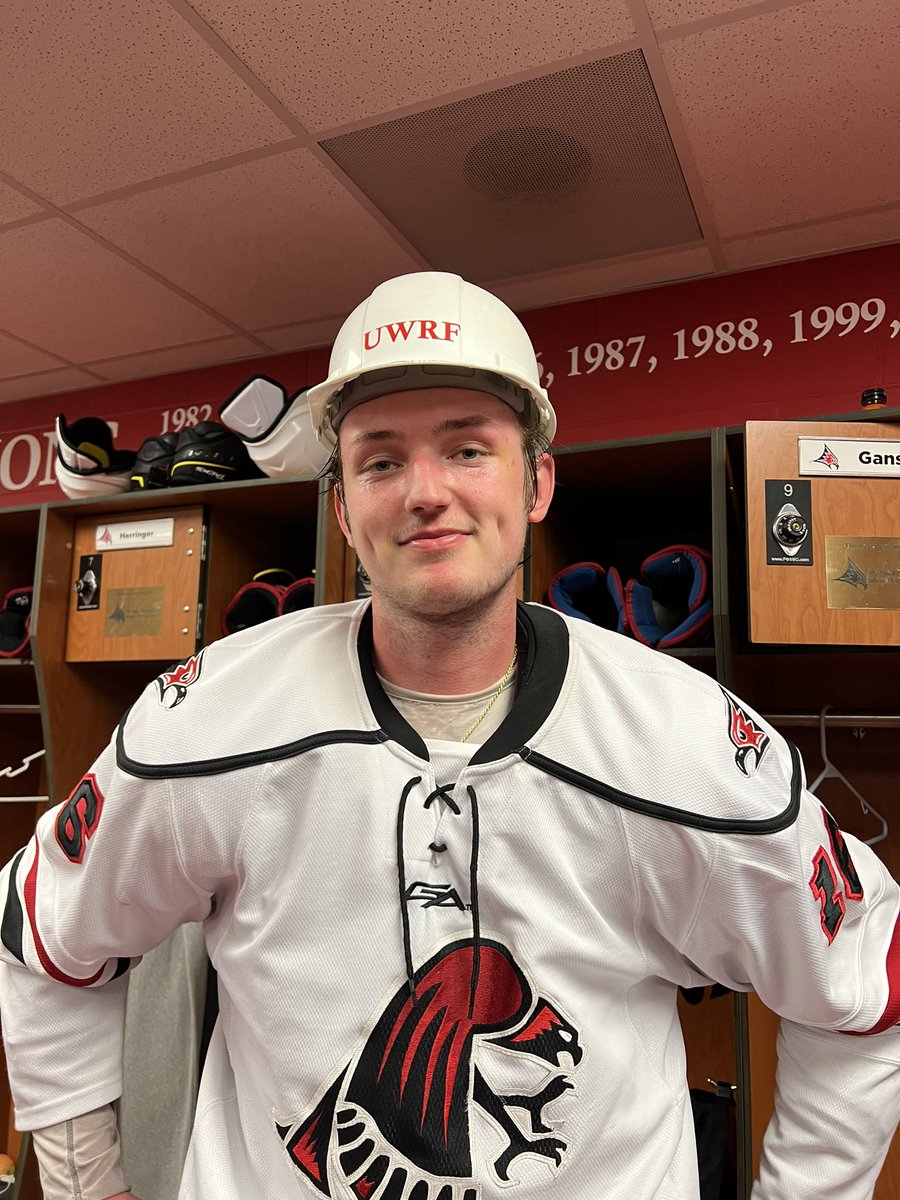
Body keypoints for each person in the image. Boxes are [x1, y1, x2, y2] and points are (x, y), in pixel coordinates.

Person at [2, 270, 900, 1200]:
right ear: (343, 510)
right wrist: (88, 1189)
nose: (425, 492)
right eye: (380, 462)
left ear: (537, 481)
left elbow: (866, 983)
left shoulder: (686, 744)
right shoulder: (207, 720)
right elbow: (43, 932)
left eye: (468, 449)